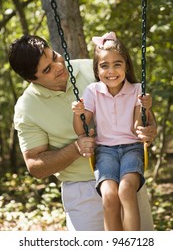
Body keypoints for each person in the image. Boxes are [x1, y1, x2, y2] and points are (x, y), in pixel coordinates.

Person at [8, 34, 157, 231]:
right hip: (81, 191)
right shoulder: (27, 108)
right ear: (31, 79)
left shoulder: (95, 67)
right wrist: (76, 148)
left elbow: (134, 103)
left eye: (54, 57)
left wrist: (149, 129)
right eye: (47, 69)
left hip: (127, 176)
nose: (58, 66)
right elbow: (35, 166)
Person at [72, 32, 153, 231]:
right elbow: (81, 129)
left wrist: (146, 108)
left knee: (126, 190)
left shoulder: (137, 90)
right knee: (109, 194)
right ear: (97, 69)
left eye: (117, 64)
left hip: (132, 149)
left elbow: (137, 126)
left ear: (126, 65)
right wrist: (78, 113)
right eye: (104, 65)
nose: (111, 71)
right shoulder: (92, 91)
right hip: (105, 151)